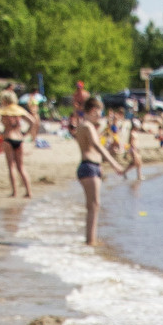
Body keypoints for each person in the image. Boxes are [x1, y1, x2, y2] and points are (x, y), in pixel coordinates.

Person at [67, 101, 108, 244]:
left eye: (100, 112)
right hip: (88, 166)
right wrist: (114, 163)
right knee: (94, 205)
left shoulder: (87, 126)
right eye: (97, 111)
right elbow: (96, 146)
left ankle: (91, 239)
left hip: (92, 166)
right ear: (90, 111)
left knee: (93, 206)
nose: (99, 115)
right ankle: (90, 241)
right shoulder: (86, 126)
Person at [0, 91, 35, 197]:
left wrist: (1, 132)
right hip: (19, 139)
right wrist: (26, 133)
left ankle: (15, 192)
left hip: (8, 138)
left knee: (11, 166)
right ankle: (28, 192)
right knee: (21, 167)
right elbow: (32, 121)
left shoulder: (2, 110)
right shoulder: (19, 110)